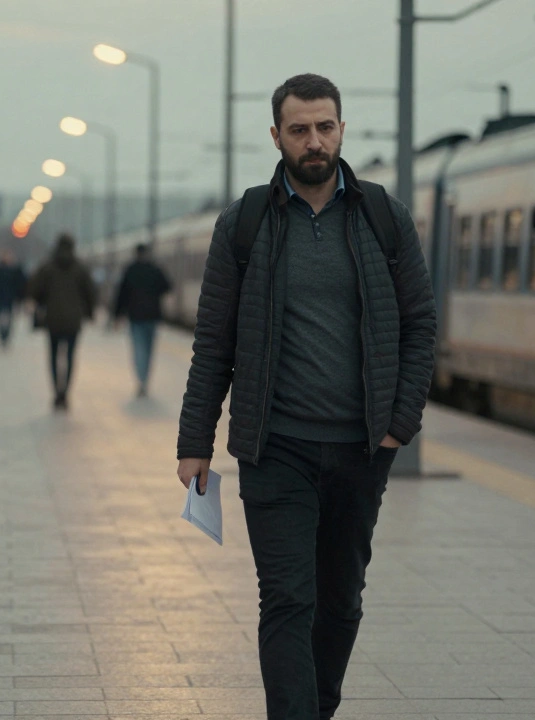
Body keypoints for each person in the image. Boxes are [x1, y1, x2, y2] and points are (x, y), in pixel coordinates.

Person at [175, 74, 437, 720]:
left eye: (324, 127)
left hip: (361, 446)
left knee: (340, 600)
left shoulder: (383, 218)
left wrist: (399, 425)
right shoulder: (245, 223)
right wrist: (194, 443)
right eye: (299, 130)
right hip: (276, 447)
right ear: (276, 137)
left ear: (342, 129)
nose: (313, 141)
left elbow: (420, 325)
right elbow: (214, 341)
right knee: (287, 600)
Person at [27, 234, 96, 410]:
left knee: (53, 357)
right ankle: (65, 392)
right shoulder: (80, 268)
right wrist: (89, 313)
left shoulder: (47, 268)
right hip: (74, 321)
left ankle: (56, 392)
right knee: (70, 357)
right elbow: (91, 293)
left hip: (53, 320)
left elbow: (34, 290)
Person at [113, 243, 173, 397]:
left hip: (135, 316)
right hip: (152, 316)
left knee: (139, 349)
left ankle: (141, 381)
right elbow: (167, 286)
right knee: (148, 349)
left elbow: (121, 294)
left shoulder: (130, 270)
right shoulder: (155, 269)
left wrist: (117, 315)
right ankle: (145, 378)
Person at [0, 250, 28, 347]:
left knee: (9, 318)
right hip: (0, 297)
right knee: (0, 317)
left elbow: (21, 283)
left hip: (10, 298)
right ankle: (2, 334)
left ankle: (6, 335)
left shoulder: (15, 270)